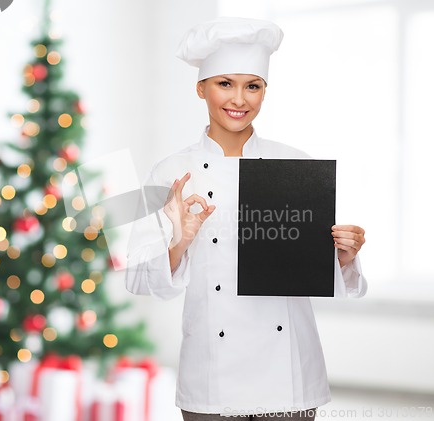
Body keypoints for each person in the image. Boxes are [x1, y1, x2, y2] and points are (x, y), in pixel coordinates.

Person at [125, 17, 367, 421]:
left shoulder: (297, 165)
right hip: (210, 378)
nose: (239, 99)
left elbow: (316, 270)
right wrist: (180, 241)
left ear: (264, 92)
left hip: (287, 375)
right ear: (201, 87)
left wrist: (344, 255)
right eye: (225, 83)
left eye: (252, 85)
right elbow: (135, 277)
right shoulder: (167, 172)